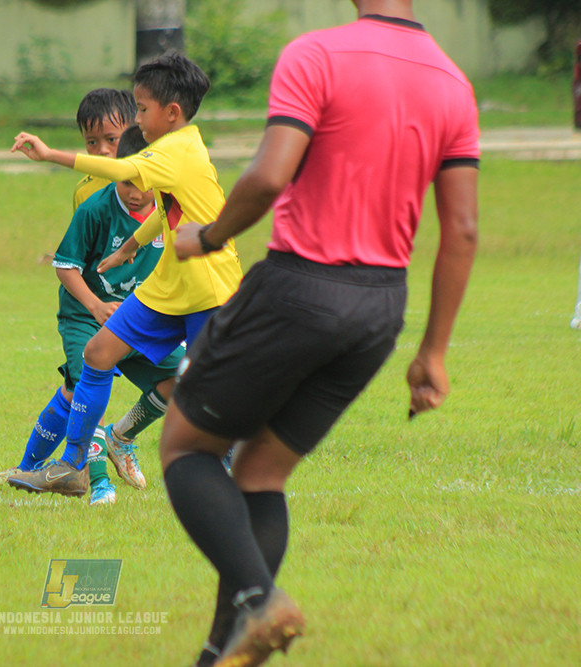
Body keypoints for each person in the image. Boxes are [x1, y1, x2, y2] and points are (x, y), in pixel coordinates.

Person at [159, 3, 480, 665]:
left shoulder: (318, 54)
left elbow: (272, 174)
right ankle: (224, 648)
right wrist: (434, 352)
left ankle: (259, 597)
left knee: (187, 447)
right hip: (378, 311)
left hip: (299, 287)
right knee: (261, 472)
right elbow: (464, 229)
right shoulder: (453, 82)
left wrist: (209, 236)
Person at [8, 52, 242, 495]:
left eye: (142, 109)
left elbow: (120, 169)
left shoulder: (173, 151)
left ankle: (239, 474)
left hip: (209, 287)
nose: (138, 118)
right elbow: (171, 208)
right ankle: (72, 467)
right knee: (97, 355)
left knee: (205, 391)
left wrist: (51, 154)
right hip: (171, 286)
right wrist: (130, 248)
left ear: (171, 113)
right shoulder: (180, 148)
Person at [0, 90, 168, 502]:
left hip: (136, 311)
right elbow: (71, 259)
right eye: (92, 143)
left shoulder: (167, 194)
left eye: (112, 140)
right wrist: (96, 305)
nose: (103, 151)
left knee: (91, 388)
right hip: (92, 309)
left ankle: (118, 439)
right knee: (83, 383)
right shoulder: (92, 197)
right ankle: (88, 478)